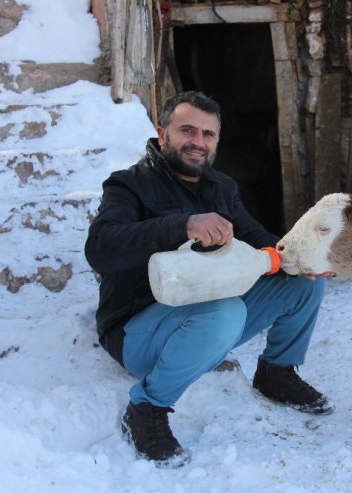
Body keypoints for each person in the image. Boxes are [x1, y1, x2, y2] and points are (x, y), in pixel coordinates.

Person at [85, 91, 331, 468]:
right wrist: (181, 225)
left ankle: (276, 371)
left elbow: (256, 237)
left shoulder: (221, 188)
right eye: (187, 130)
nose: (198, 142)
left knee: (304, 283)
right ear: (162, 132)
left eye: (208, 134)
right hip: (138, 330)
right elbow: (100, 248)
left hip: (207, 317)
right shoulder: (128, 185)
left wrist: (301, 258)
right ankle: (146, 408)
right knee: (225, 312)